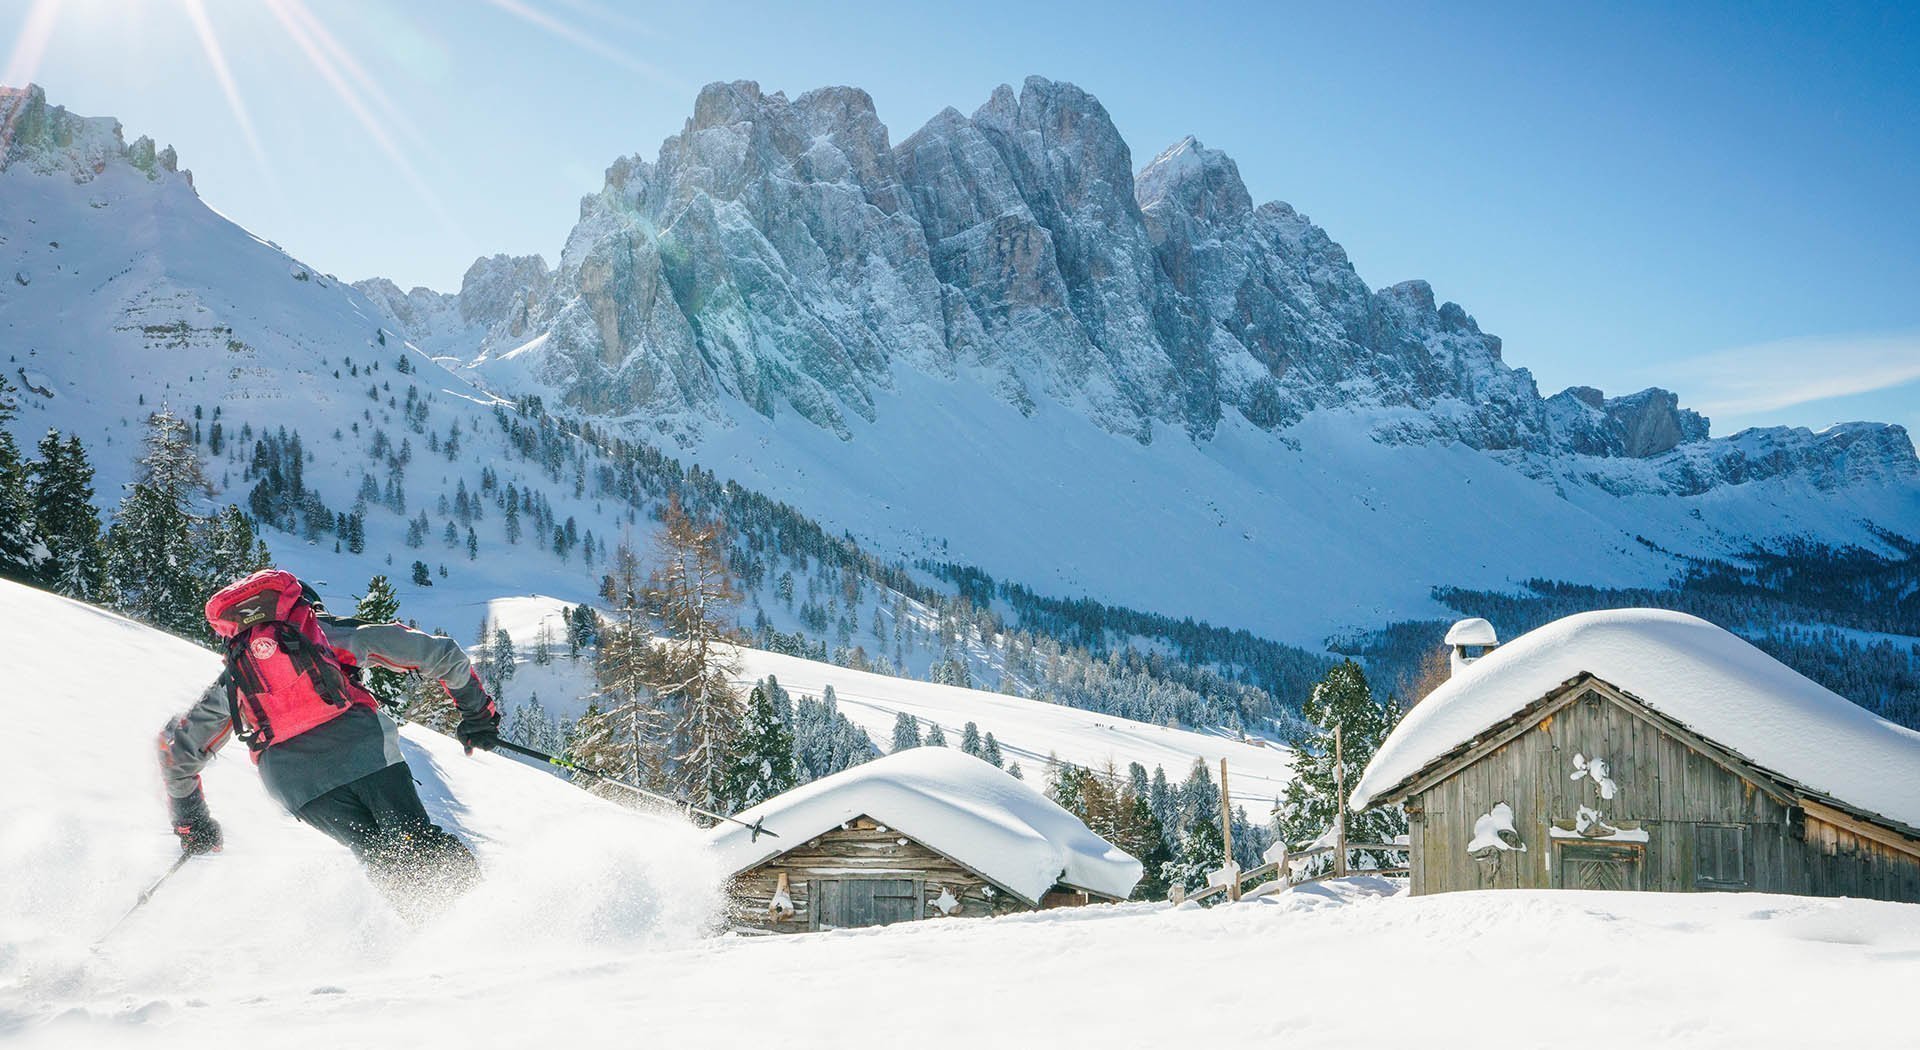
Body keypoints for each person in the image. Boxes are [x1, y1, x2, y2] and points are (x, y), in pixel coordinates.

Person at [157, 568, 502, 907]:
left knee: (380, 856)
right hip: (362, 752)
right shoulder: (327, 635)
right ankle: (482, 917)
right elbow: (442, 654)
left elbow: (178, 754)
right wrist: (478, 716)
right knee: (415, 840)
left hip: (295, 786)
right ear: (306, 610)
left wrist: (191, 821)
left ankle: (433, 935)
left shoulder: (237, 674)